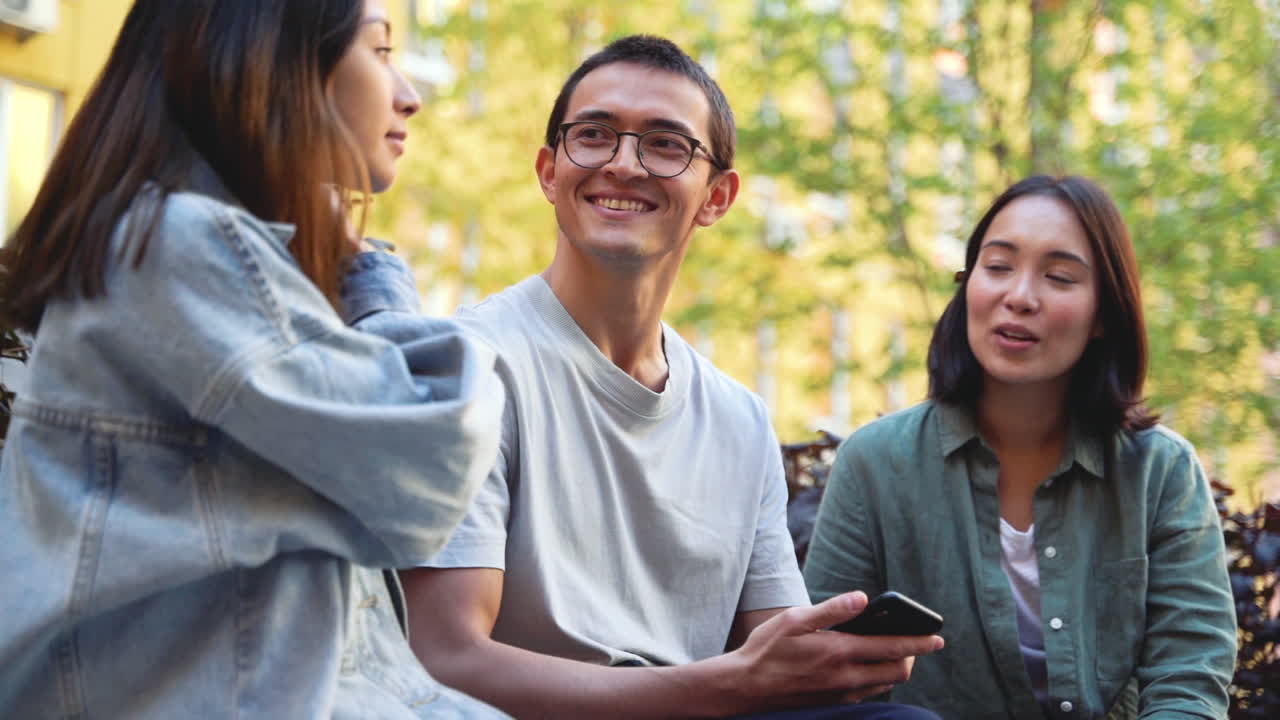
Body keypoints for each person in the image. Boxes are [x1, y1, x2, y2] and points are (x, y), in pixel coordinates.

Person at [399, 35, 943, 720]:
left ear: (717, 196)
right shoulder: (470, 363)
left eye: (665, 145)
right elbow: (446, 659)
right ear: (549, 170)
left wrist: (839, 660)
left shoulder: (738, 419)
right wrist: (721, 687)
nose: (623, 164)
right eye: (593, 135)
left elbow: (775, 655)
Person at [0, 1, 509, 717]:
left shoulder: (181, 245)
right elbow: (434, 458)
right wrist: (375, 284)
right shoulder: (179, 245)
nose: (409, 95)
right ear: (277, 63)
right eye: (381, 50)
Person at [803, 175, 1237, 718]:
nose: (1019, 297)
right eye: (999, 267)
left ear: (1104, 313)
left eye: (1058, 277)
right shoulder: (874, 462)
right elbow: (824, 671)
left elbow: (1189, 677)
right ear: (967, 286)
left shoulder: (1162, 471)